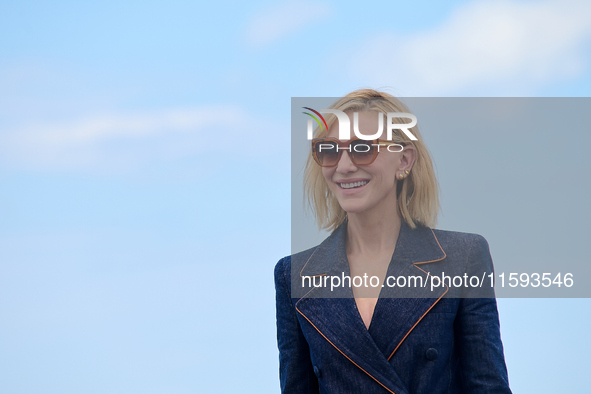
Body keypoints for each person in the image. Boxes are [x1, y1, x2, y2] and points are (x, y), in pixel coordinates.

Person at [274, 89, 512, 393]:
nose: (343, 166)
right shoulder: (293, 275)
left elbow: (488, 386)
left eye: (362, 148)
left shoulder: (462, 257)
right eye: (329, 150)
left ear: (404, 160)